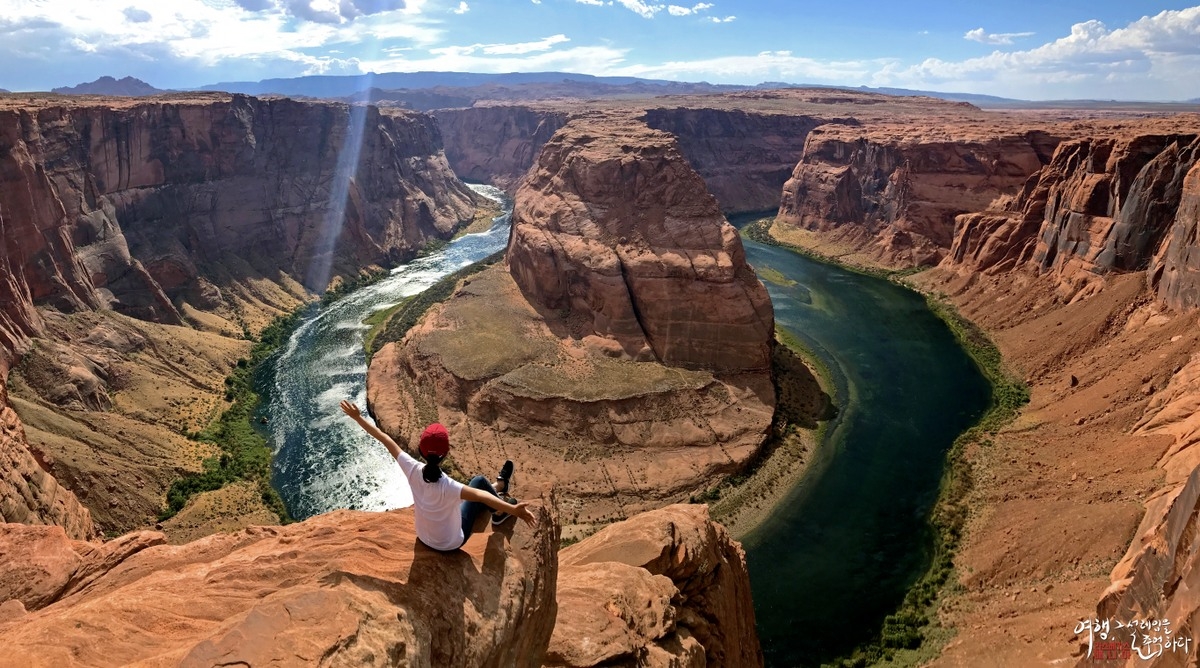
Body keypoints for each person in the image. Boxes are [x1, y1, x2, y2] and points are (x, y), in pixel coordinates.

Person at [340, 400, 534, 551]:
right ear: (446, 454)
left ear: (421, 451)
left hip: (424, 538)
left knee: (476, 490)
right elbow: (480, 495)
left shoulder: (412, 469)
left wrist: (358, 418)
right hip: (451, 544)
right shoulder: (449, 487)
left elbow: (385, 439)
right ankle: (500, 512)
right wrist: (513, 509)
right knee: (479, 482)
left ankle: (500, 486)